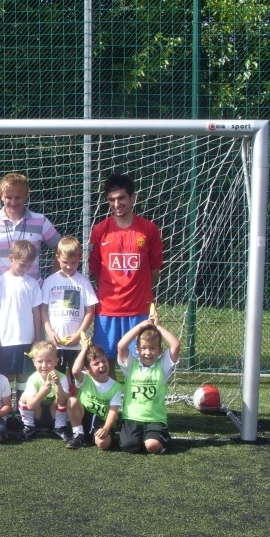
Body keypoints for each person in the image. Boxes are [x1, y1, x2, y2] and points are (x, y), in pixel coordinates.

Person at [88, 173, 163, 377]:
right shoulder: (100, 231)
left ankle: (134, 398)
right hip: (108, 310)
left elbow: (155, 268)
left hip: (139, 309)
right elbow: (95, 269)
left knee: (141, 362)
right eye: (111, 199)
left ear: (133, 198)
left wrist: (139, 291)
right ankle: (110, 398)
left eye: (121, 198)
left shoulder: (149, 230)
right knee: (104, 363)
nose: (116, 204)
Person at [0, 172, 60, 283]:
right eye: (9, 197)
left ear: (26, 195)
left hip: (32, 290)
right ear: (1, 195)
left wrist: (52, 281)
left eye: (18, 197)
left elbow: (61, 249)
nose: (13, 202)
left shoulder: (41, 221)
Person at [0, 240, 43, 411]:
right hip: (6, 339)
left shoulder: (32, 284)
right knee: (6, 376)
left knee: (23, 375)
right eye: (22, 264)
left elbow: (36, 312)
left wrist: (38, 339)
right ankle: (5, 412)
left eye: (28, 265)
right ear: (11, 258)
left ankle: (21, 412)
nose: (25, 268)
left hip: (26, 338)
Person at [116, 314, 180, 454]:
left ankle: (161, 440)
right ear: (137, 349)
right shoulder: (131, 365)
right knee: (129, 447)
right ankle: (139, 438)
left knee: (152, 446)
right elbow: (121, 346)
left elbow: (175, 345)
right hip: (131, 418)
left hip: (155, 419)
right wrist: (141, 326)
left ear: (160, 350)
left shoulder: (162, 366)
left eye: (152, 348)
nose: (148, 353)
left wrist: (158, 327)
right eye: (143, 348)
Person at [41, 236, 98, 373]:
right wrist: (50, 333)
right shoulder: (49, 281)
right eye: (65, 262)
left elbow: (90, 311)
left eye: (74, 263)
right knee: (55, 379)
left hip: (77, 345)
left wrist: (79, 334)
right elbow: (42, 310)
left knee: (78, 378)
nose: (69, 266)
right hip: (55, 344)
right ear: (58, 257)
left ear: (79, 258)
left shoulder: (83, 282)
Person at [68, 341, 122, 451]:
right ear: (87, 369)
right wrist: (84, 349)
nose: (102, 365)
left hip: (101, 423)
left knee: (103, 444)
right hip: (83, 419)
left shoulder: (115, 386)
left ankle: (105, 436)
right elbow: (75, 371)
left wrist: (106, 429)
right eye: (96, 364)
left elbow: (113, 411)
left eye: (104, 361)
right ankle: (79, 435)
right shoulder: (85, 378)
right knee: (72, 401)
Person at [17, 341, 73, 445]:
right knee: (25, 396)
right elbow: (31, 406)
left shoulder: (61, 377)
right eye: (40, 361)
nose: (44, 365)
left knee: (67, 398)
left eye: (48, 361)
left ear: (56, 361)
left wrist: (57, 384)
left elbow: (62, 402)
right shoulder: (33, 379)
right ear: (34, 362)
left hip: (53, 416)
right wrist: (42, 392)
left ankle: (59, 427)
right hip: (38, 414)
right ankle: (29, 426)